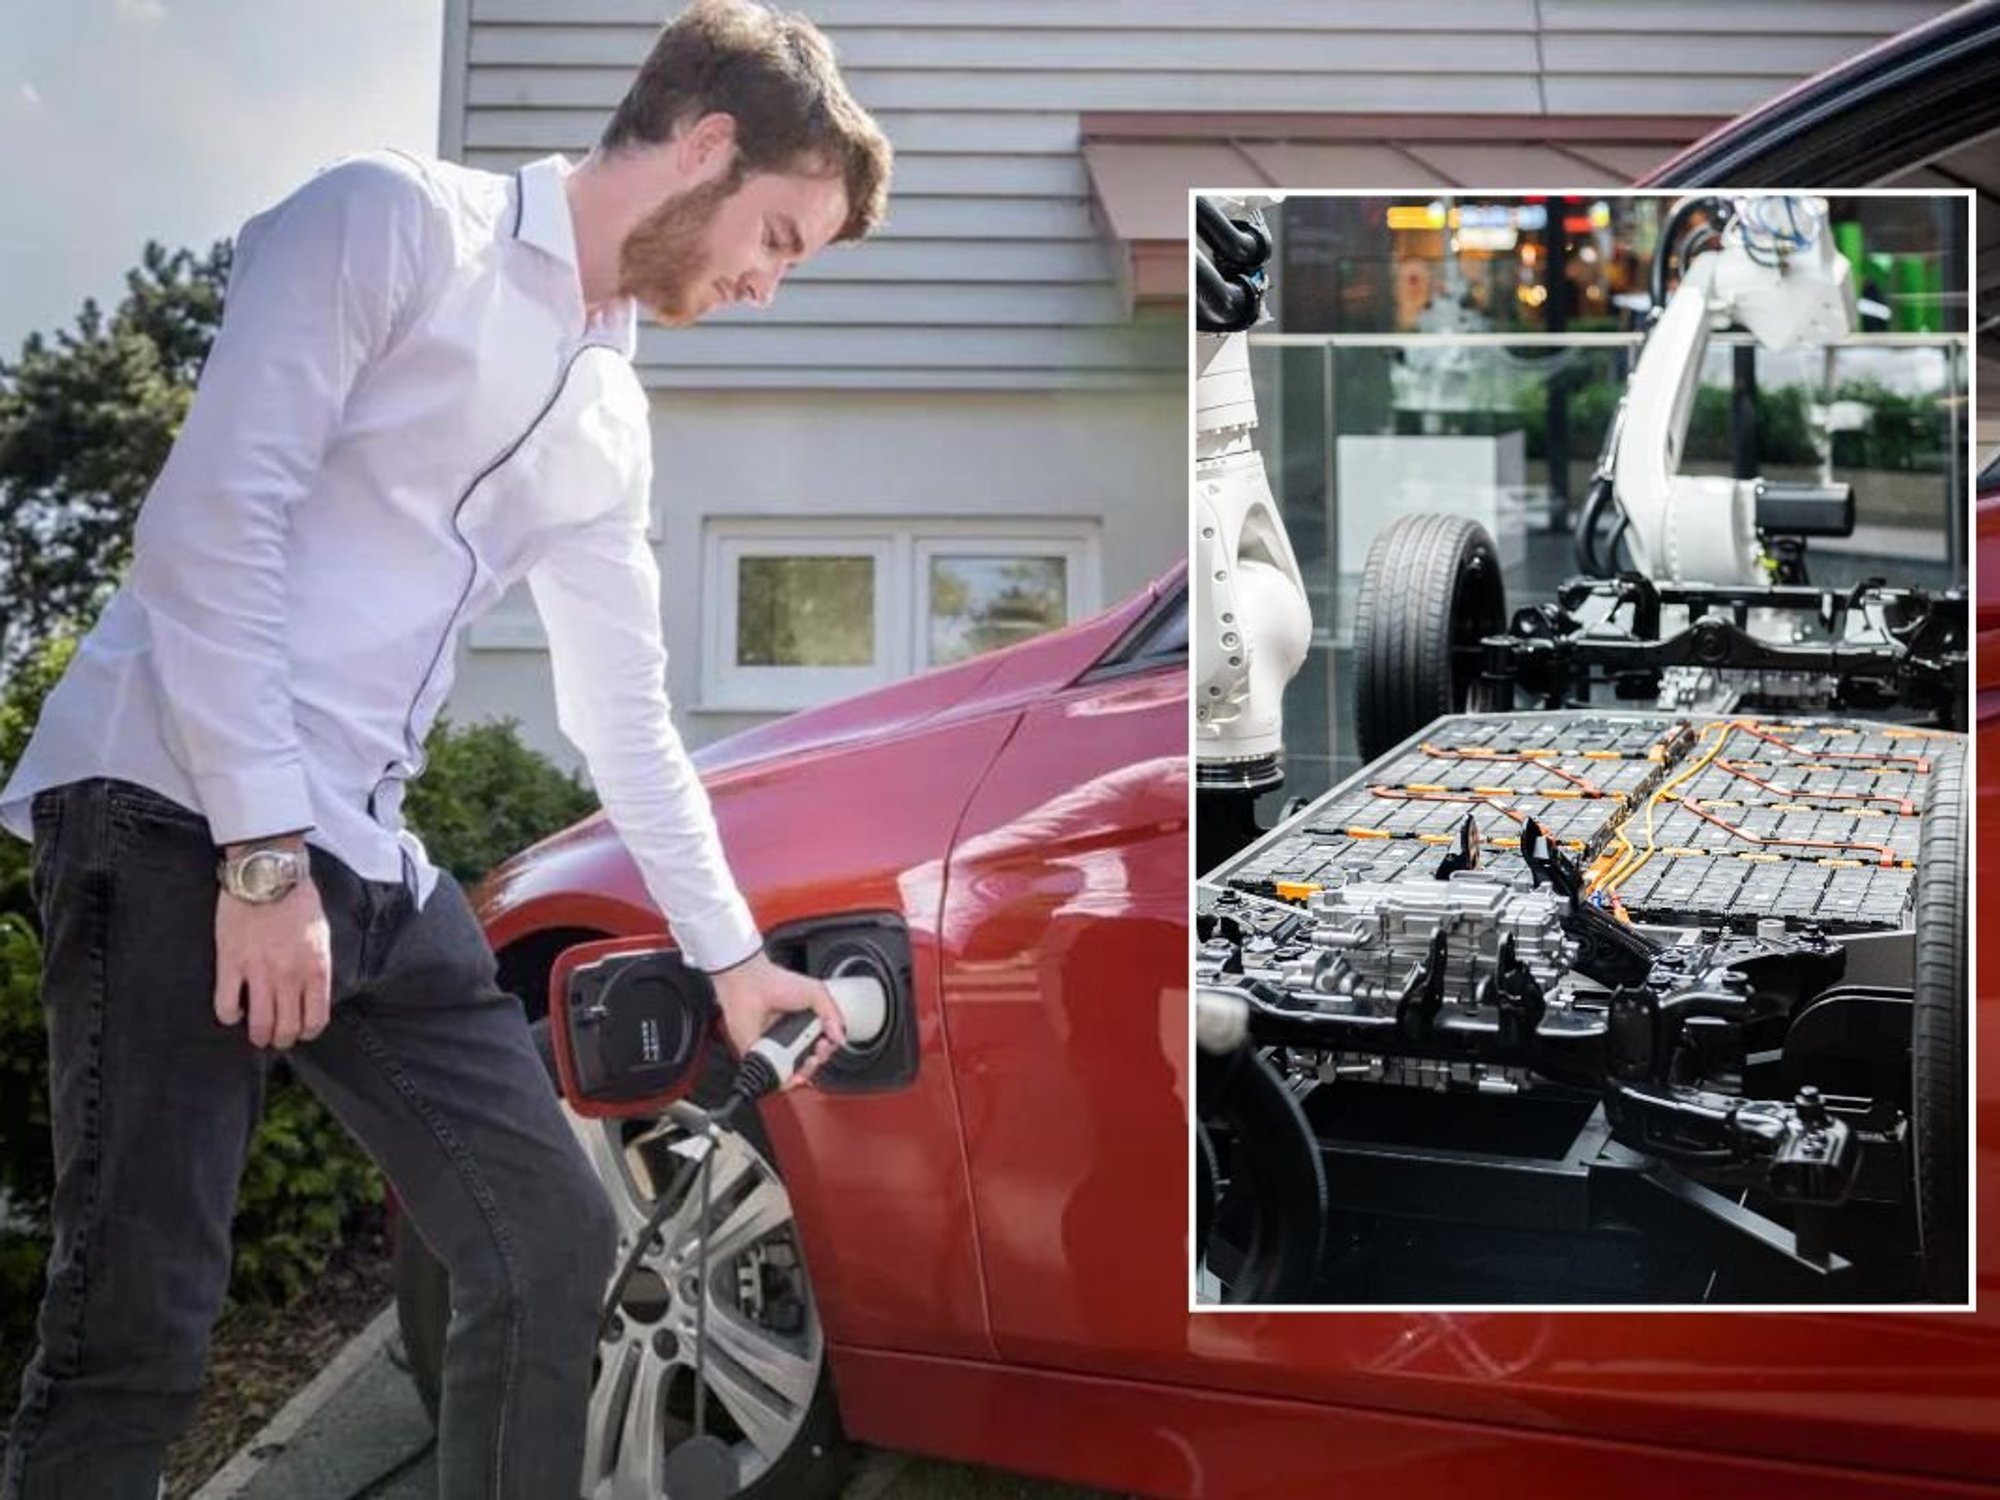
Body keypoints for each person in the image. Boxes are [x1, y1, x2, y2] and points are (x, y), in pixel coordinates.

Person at [0, 1, 891, 1494]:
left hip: (357, 853)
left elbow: (623, 714)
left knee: (550, 1240)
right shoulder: (394, 223)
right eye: (782, 238)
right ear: (709, 142)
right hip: (171, 801)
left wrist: (734, 960)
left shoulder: (609, 407)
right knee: (138, 1322)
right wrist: (260, 854)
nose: (766, 284)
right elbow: (212, 523)